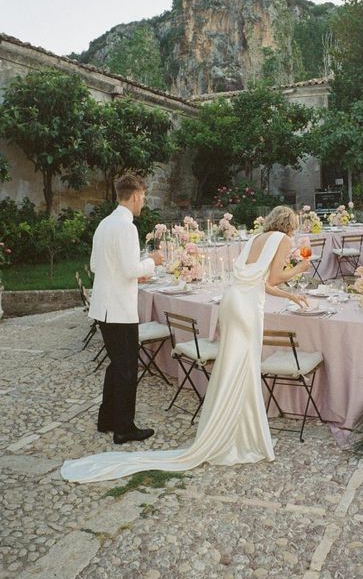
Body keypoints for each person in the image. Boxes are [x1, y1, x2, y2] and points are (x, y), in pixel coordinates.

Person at [62, 206, 309, 483]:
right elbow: (274, 277)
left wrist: (291, 296)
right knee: (243, 369)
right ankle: (237, 434)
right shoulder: (283, 240)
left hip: (233, 302)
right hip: (248, 310)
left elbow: (259, 282)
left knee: (235, 368)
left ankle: (236, 429)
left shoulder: (254, 239)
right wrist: (299, 268)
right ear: (289, 224)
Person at [89, 173, 163, 445]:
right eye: (142, 196)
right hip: (119, 309)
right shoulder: (127, 227)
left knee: (116, 366)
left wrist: (133, 269)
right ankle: (123, 429)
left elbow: (97, 266)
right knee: (127, 369)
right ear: (133, 196)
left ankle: (106, 419)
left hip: (103, 308)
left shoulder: (105, 223)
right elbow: (131, 269)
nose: (143, 202)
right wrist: (152, 261)